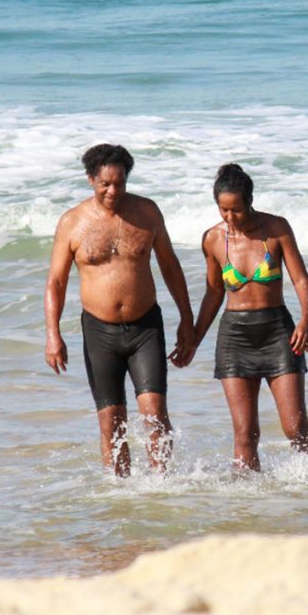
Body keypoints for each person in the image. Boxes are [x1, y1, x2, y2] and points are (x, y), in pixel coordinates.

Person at [44, 144, 195, 477]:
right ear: (90, 179)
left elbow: (170, 266)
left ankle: (162, 486)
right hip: (99, 332)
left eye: (120, 183)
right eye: (105, 184)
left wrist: (187, 320)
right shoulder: (72, 222)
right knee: (111, 423)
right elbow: (56, 281)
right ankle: (120, 492)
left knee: (154, 413)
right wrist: (53, 335)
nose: (113, 191)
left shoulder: (147, 213)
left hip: (145, 328)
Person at [186, 163, 308, 471]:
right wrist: (192, 340)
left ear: (250, 201)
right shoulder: (212, 240)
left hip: (277, 333)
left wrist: (306, 321)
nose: (231, 218)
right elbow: (214, 294)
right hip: (234, 337)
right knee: (245, 433)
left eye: (237, 210)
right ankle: (247, 505)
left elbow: (300, 279)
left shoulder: (277, 229)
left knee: (294, 427)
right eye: (224, 210)